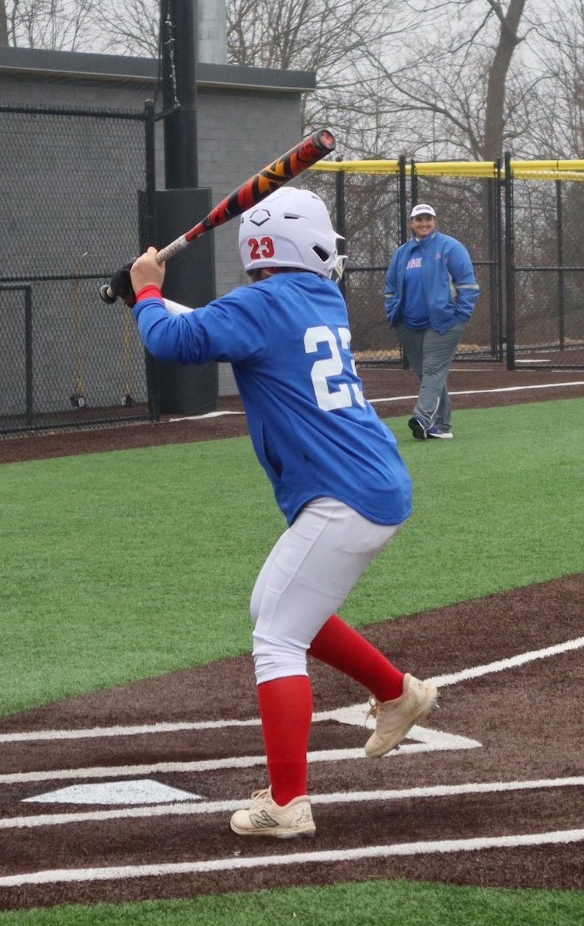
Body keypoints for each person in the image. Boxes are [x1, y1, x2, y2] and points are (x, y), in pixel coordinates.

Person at [127, 187, 439, 838]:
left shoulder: (261, 305)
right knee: (273, 607)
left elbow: (175, 341)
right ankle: (397, 692)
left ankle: (287, 803)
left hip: (343, 495)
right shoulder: (316, 299)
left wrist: (148, 291)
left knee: (277, 638)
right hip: (367, 483)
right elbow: (212, 326)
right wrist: (147, 296)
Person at [384, 203, 478, 440]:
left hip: (444, 324)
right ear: (412, 223)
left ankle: (422, 418)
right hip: (408, 324)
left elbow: (468, 285)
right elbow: (391, 287)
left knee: (433, 370)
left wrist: (460, 315)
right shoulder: (402, 253)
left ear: (434, 221)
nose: (423, 223)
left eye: (428, 219)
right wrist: (393, 312)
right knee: (428, 375)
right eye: (419, 219)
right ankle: (442, 426)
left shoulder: (451, 247)